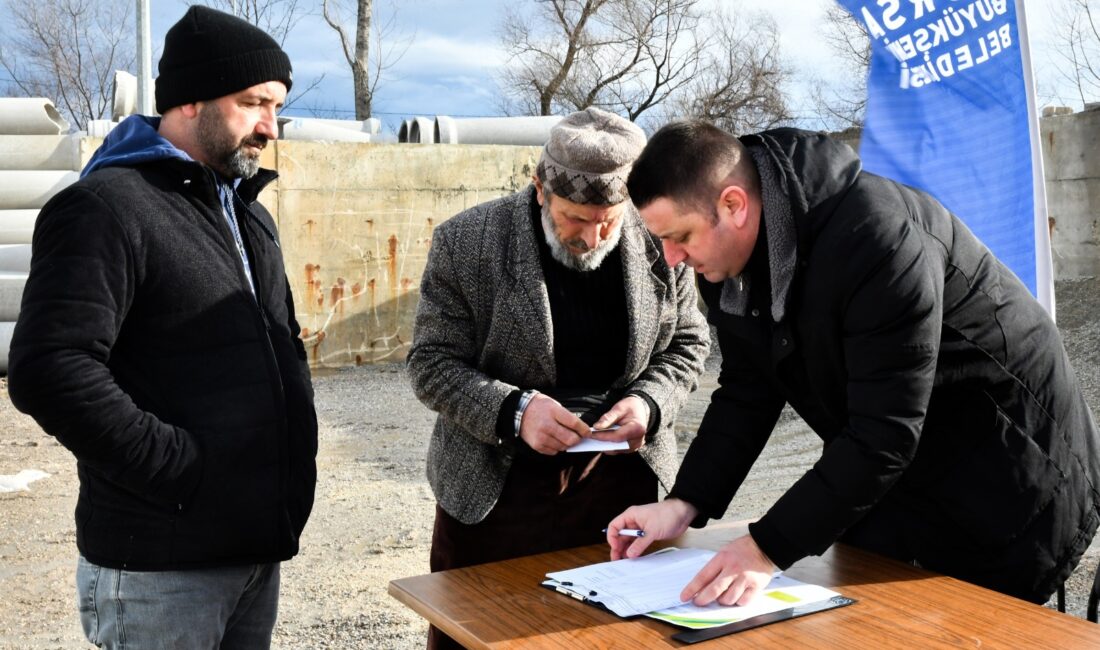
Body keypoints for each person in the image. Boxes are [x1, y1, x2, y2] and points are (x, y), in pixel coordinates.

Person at [606, 121, 1100, 608]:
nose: (671, 259)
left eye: (681, 236)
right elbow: (747, 391)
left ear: (733, 204)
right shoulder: (724, 263)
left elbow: (884, 434)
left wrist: (764, 548)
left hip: (1007, 471)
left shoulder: (879, 239)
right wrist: (683, 501)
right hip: (900, 479)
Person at [7, 6, 317, 648]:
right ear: (190, 98)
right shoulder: (105, 208)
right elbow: (49, 370)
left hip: (252, 549)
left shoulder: (248, 214)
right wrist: (181, 470)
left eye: (277, 106)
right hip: (159, 566)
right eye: (253, 103)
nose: (271, 127)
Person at [407, 107, 709, 649]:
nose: (593, 236)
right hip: (496, 486)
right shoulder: (468, 242)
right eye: (575, 218)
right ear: (540, 187)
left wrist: (648, 406)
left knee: (620, 635)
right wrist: (514, 411)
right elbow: (431, 364)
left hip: (624, 483)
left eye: (609, 220)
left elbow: (689, 344)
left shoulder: (660, 241)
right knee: (481, 634)